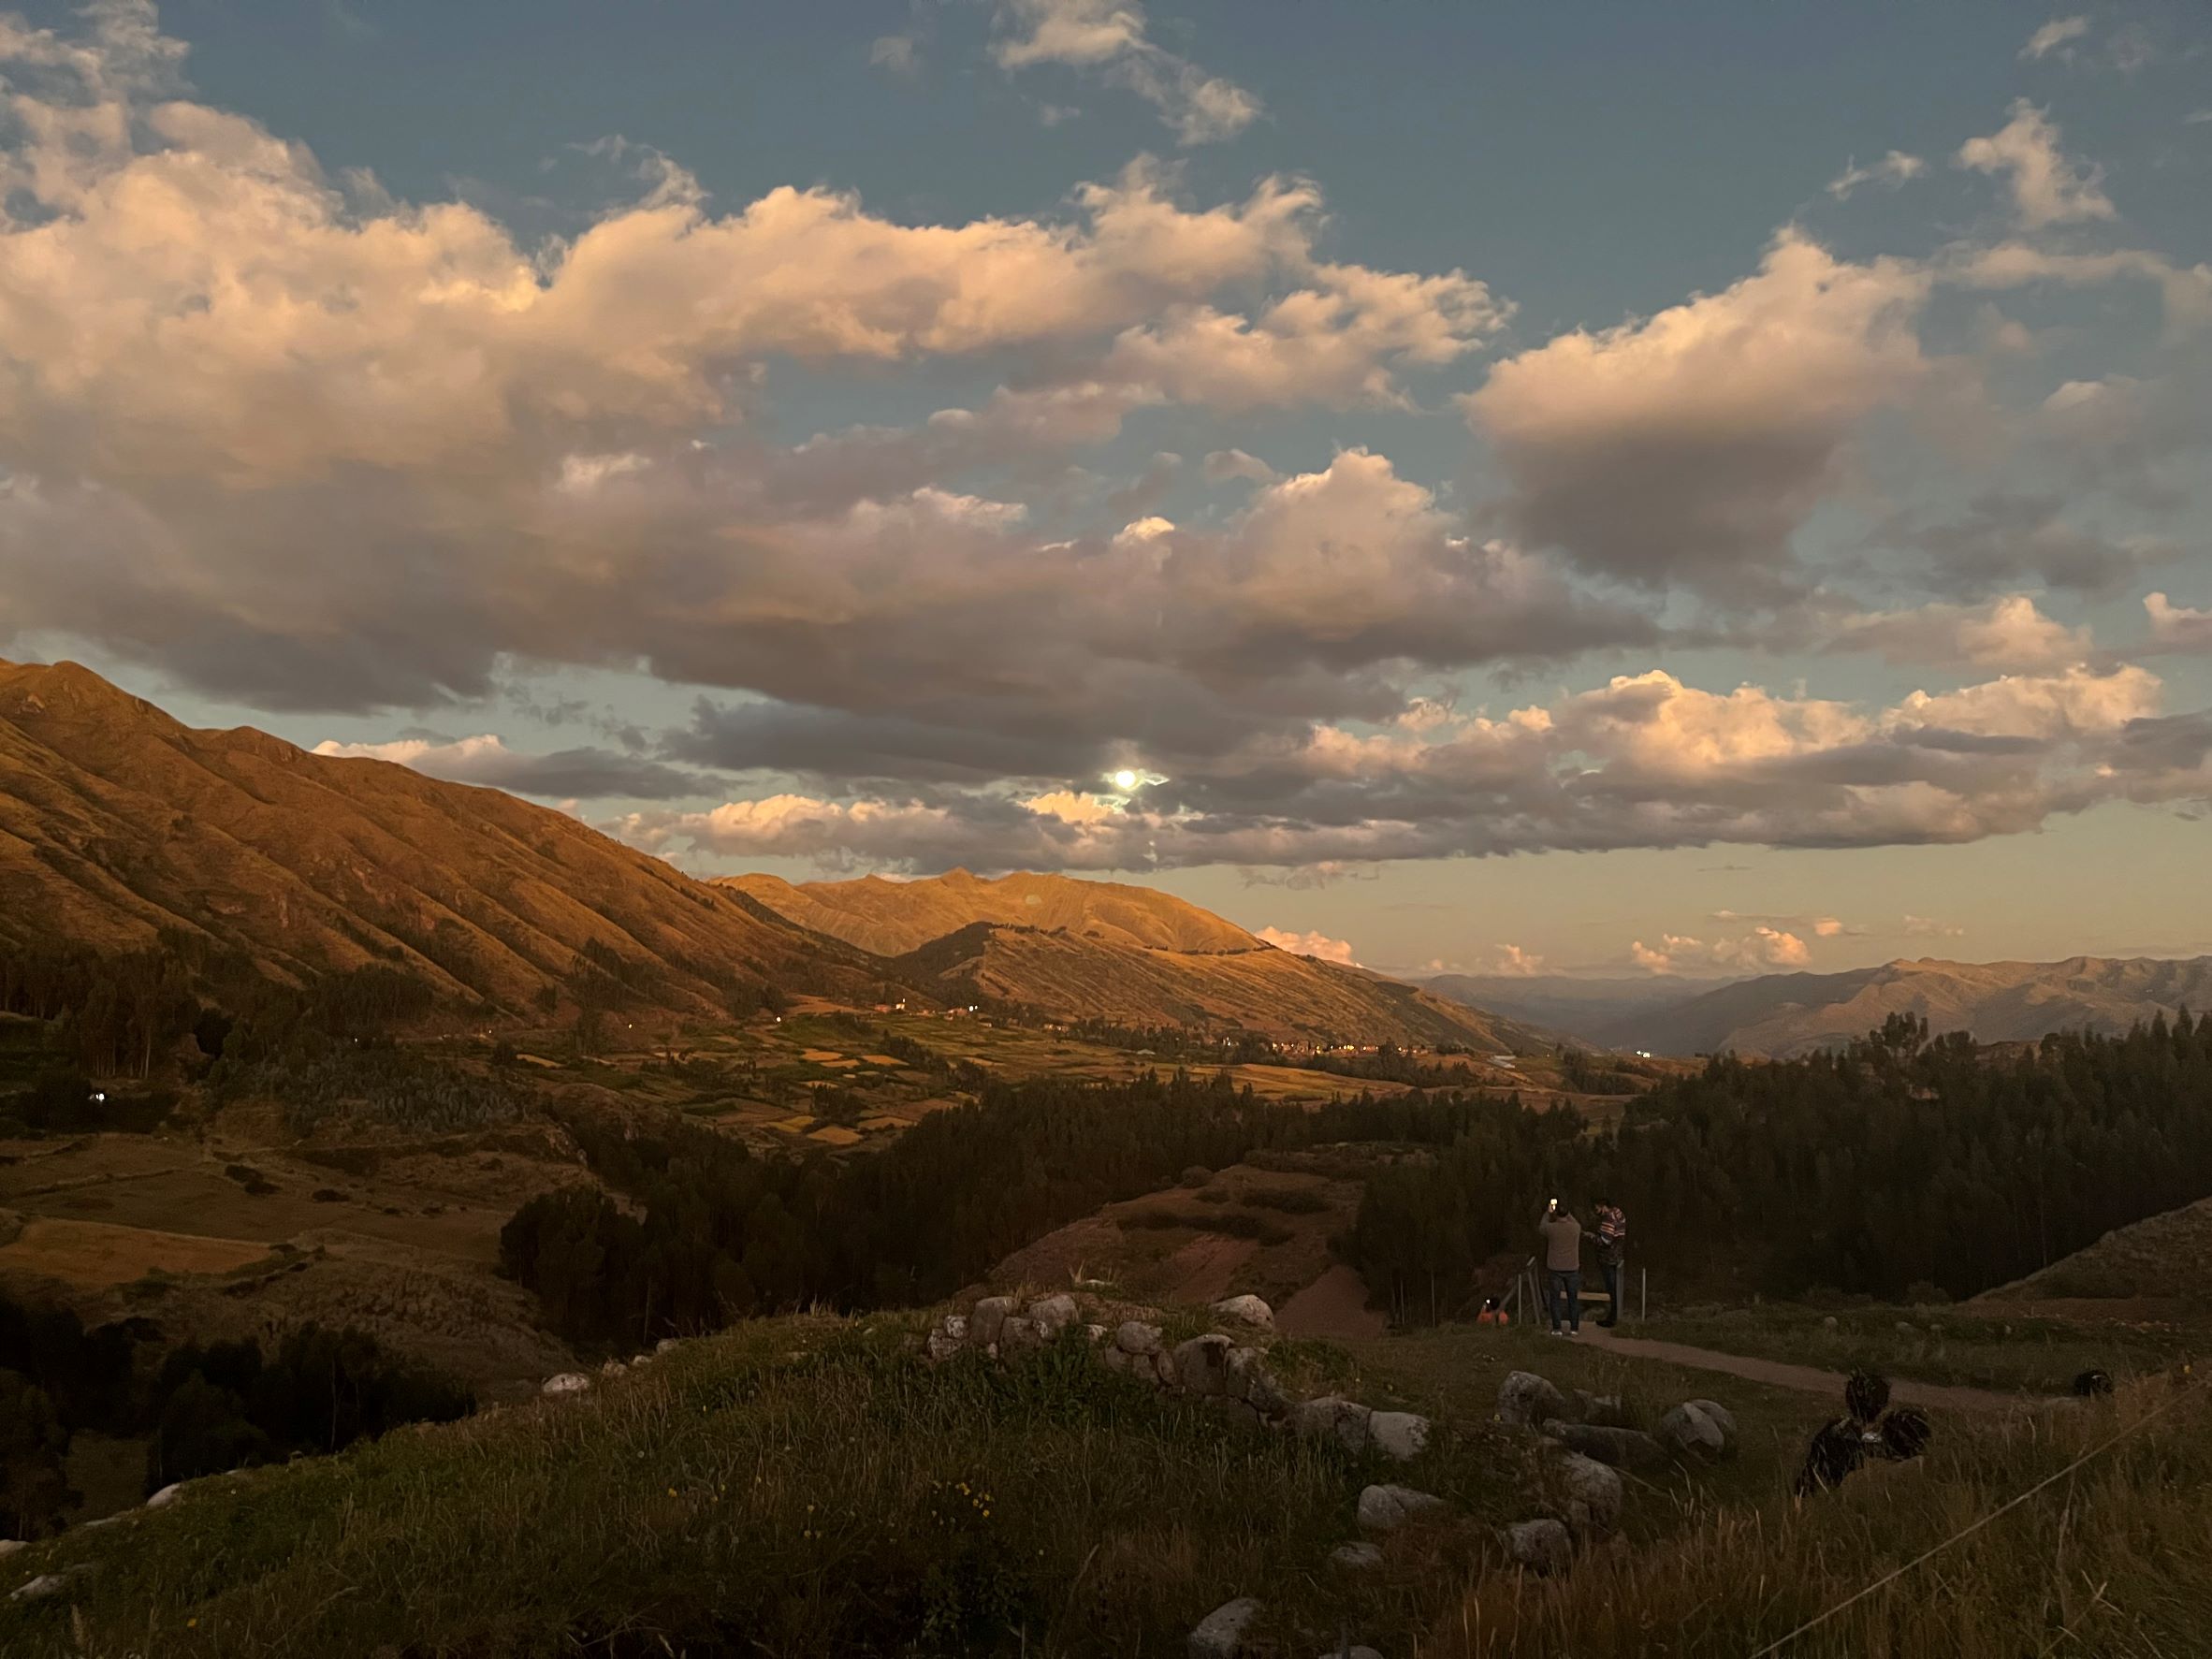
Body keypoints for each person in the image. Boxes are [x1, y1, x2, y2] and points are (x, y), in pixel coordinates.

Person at [1538, 1198, 1582, 1336]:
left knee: (1555, 1299)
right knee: (1573, 1299)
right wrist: (1568, 1214)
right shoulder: (1575, 1228)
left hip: (1555, 1268)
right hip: (1572, 1267)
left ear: (1556, 1214)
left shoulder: (1551, 1228)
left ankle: (1557, 1328)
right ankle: (1574, 1328)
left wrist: (1548, 1212)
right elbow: (1575, 1221)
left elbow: (1541, 1226)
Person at [1594, 1197, 1628, 1329]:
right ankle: (1615, 1315)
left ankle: (1612, 1318)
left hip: (1608, 1258)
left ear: (1603, 1206)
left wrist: (1590, 1237)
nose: (1596, 1211)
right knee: (1615, 1288)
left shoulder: (1608, 1218)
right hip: (1618, 1255)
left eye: (1597, 1208)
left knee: (1611, 1288)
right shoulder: (1618, 1213)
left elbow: (1605, 1241)